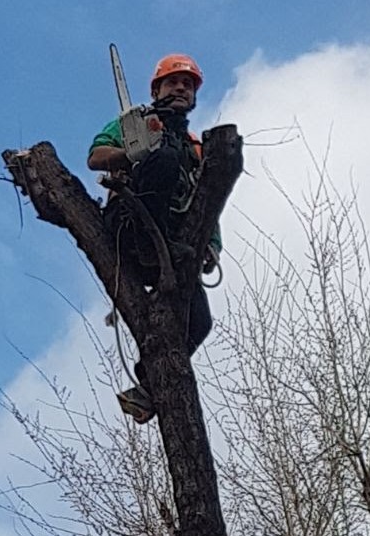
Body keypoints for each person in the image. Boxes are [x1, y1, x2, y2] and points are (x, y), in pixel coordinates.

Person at [87, 53, 222, 425]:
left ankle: (148, 387)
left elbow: (208, 196)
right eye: (173, 82)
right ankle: (150, 242)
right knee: (161, 160)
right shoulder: (136, 125)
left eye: (187, 85)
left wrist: (212, 243)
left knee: (199, 321)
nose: (181, 88)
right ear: (157, 88)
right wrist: (133, 153)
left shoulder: (194, 146)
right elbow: (96, 157)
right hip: (131, 226)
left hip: (177, 242)